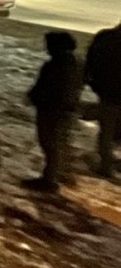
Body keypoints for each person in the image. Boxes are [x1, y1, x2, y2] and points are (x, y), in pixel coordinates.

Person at [25, 31, 82, 192]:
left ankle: (49, 179)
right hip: (67, 109)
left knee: (49, 144)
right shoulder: (77, 63)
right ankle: (60, 174)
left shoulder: (54, 65)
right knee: (60, 143)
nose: (46, 48)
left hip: (51, 109)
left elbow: (45, 88)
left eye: (49, 44)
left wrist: (33, 97)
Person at [88, 19, 121, 179]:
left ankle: (106, 165)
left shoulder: (105, 37)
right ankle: (108, 164)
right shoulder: (106, 38)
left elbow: (92, 60)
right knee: (111, 131)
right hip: (110, 92)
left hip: (107, 93)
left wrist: (92, 81)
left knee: (106, 131)